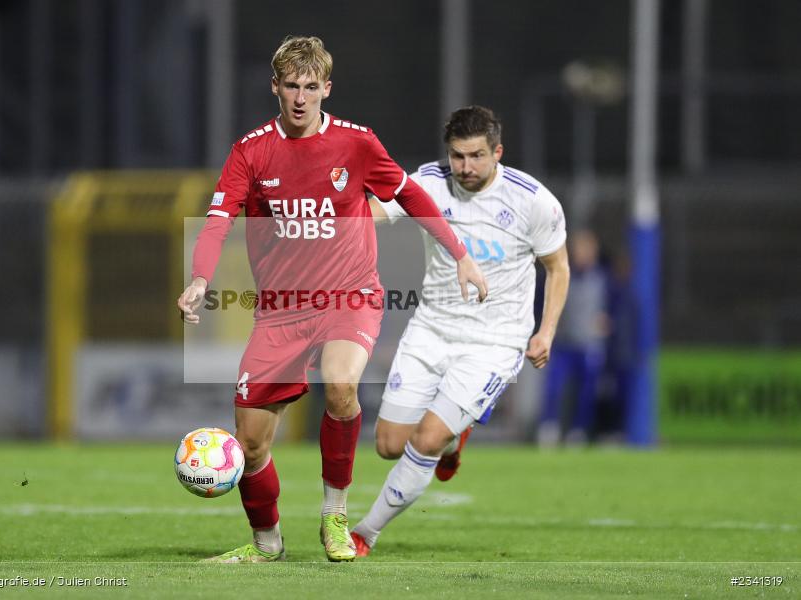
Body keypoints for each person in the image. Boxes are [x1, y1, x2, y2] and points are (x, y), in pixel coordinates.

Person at [176, 36, 487, 563]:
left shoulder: (356, 143)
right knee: (250, 443)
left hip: (349, 295)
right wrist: (201, 279)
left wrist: (460, 253)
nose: (301, 98)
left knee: (342, 385)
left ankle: (335, 517)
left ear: (327, 88)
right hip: (280, 311)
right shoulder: (251, 151)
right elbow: (218, 220)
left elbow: (409, 194)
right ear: (275, 87)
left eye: (310, 87)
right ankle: (267, 544)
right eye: (291, 86)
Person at [352, 105, 570, 557]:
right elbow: (373, 213)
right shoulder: (428, 182)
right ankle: (454, 441)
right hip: (431, 329)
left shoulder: (533, 201)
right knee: (389, 445)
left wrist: (546, 331)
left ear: (497, 153)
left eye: (476, 156)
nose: (465, 167)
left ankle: (365, 533)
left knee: (426, 439)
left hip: (495, 341)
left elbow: (558, 267)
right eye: (457, 156)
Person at [536, 229, 609, 446]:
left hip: (589, 344)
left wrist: (607, 321)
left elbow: (613, 308)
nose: (581, 254)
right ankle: (549, 427)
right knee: (554, 387)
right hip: (563, 342)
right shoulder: (562, 274)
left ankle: (578, 431)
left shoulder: (603, 279)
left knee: (586, 392)